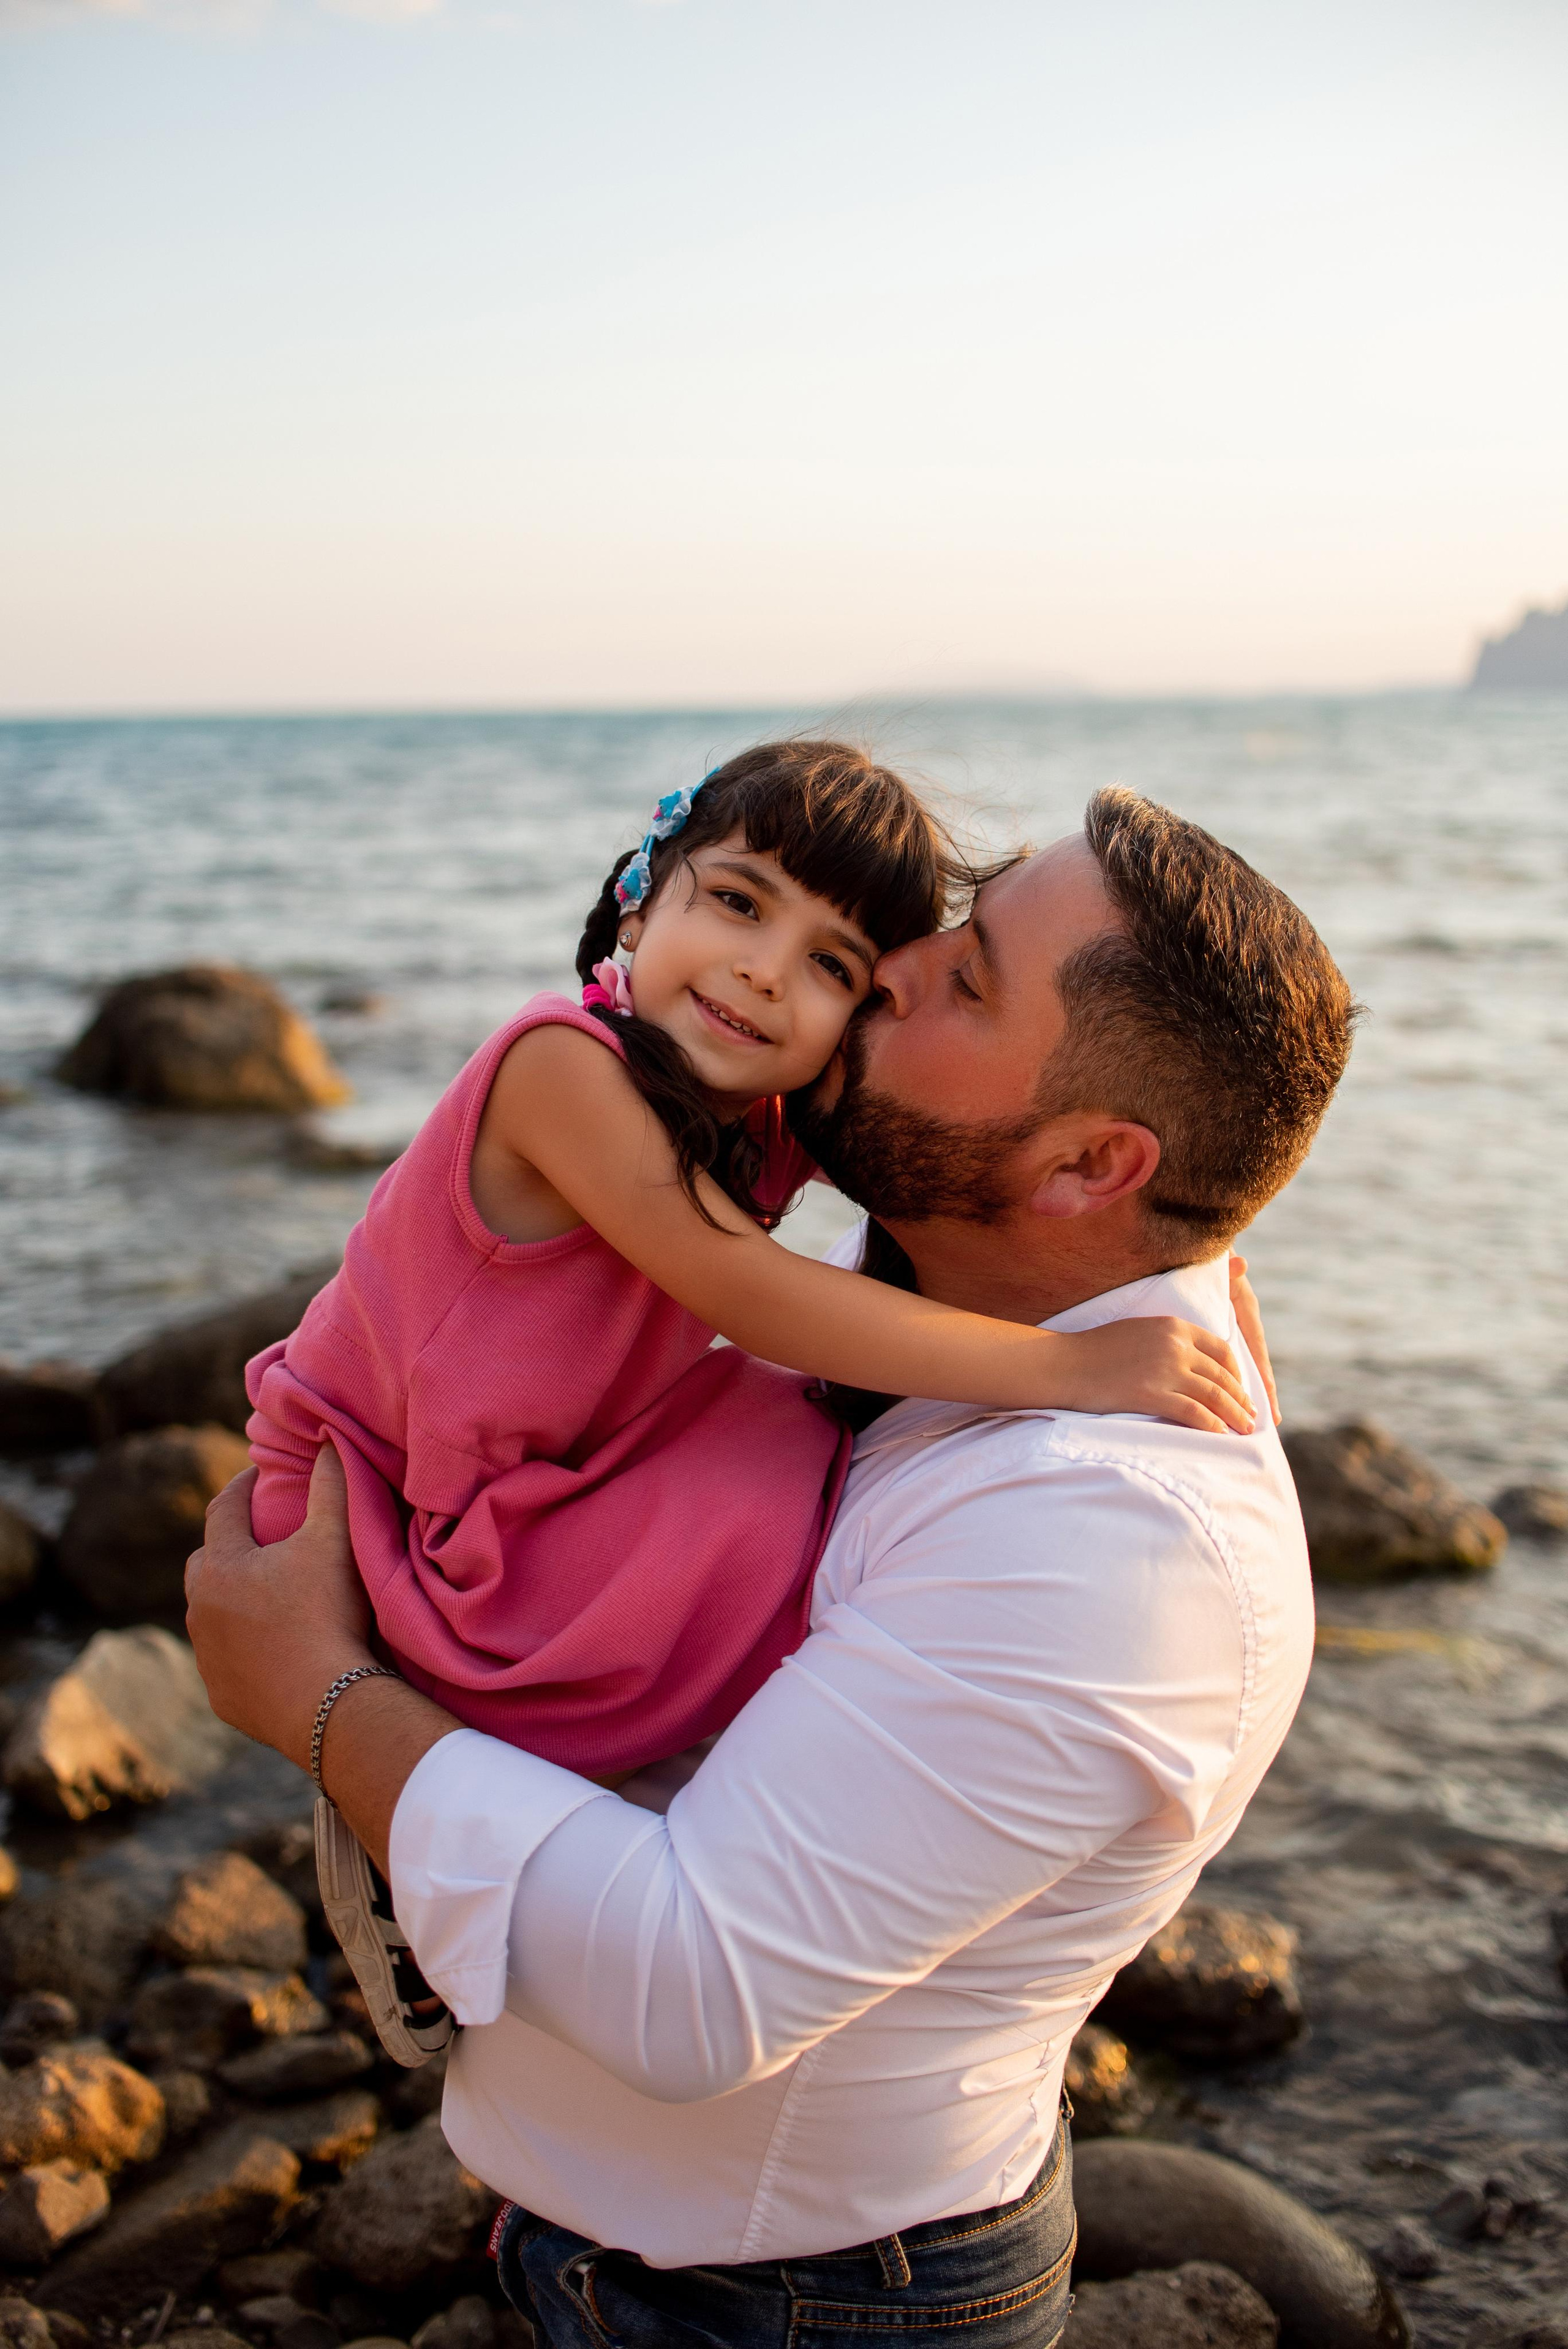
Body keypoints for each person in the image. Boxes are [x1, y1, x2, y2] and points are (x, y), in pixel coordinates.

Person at [188, 785, 1358, 2349]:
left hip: (778, 2306)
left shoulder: (1109, 1538)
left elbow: (688, 1994)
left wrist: (316, 1698)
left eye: (964, 979)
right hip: (655, 2255)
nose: (887, 969)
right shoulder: (1032, 1301)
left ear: (1088, 1164)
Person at [243, 741, 1253, 2059]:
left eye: (832, 964)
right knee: (794, 1422)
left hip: (523, 1479)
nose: (763, 971)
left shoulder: (749, 1098)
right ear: (641, 896)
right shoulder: (558, 1067)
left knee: (806, 1426)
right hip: (402, 1509)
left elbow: (984, 1133)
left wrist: (1192, 1244)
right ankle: (420, 1856)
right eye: (733, 903)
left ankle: (524, 1835)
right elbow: (743, 1284)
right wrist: (1074, 1365)